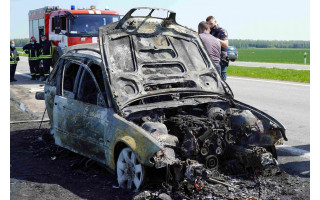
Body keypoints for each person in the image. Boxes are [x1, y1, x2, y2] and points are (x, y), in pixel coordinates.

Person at [206, 16, 229, 81]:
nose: (210, 26)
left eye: (211, 24)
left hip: (221, 58)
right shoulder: (209, 31)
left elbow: (225, 45)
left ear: (215, 22)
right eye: (208, 24)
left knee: (222, 81)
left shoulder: (222, 31)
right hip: (212, 58)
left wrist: (215, 40)